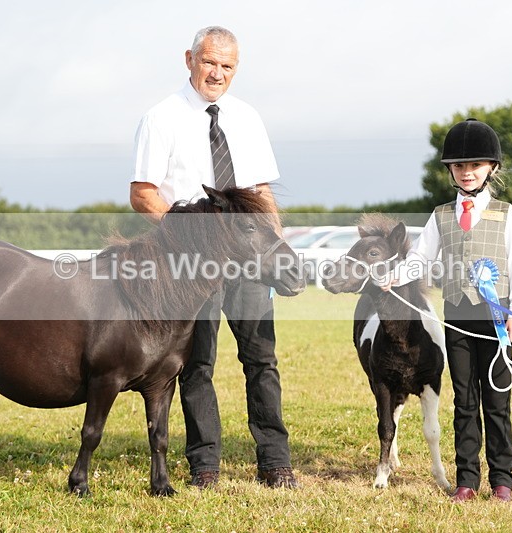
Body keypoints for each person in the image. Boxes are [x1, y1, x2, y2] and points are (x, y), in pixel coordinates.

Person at [129, 26, 298, 490]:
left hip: (247, 260)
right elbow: (142, 194)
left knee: (262, 360)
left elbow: (261, 192)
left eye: (227, 66)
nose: (217, 73)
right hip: (194, 266)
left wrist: (277, 252)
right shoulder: (160, 118)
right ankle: (205, 465)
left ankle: (275, 461)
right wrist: (192, 237)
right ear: (189, 59)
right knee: (196, 366)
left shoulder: (247, 118)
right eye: (209, 62)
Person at [380, 118, 512, 502]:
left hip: (496, 317)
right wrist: (395, 275)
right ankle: (467, 478)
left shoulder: (506, 214)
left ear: (491, 168)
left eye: (474, 165)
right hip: (458, 316)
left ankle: (502, 479)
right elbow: (423, 257)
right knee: (464, 398)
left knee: (496, 401)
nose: (466, 172)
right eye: (459, 166)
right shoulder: (441, 214)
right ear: (450, 170)